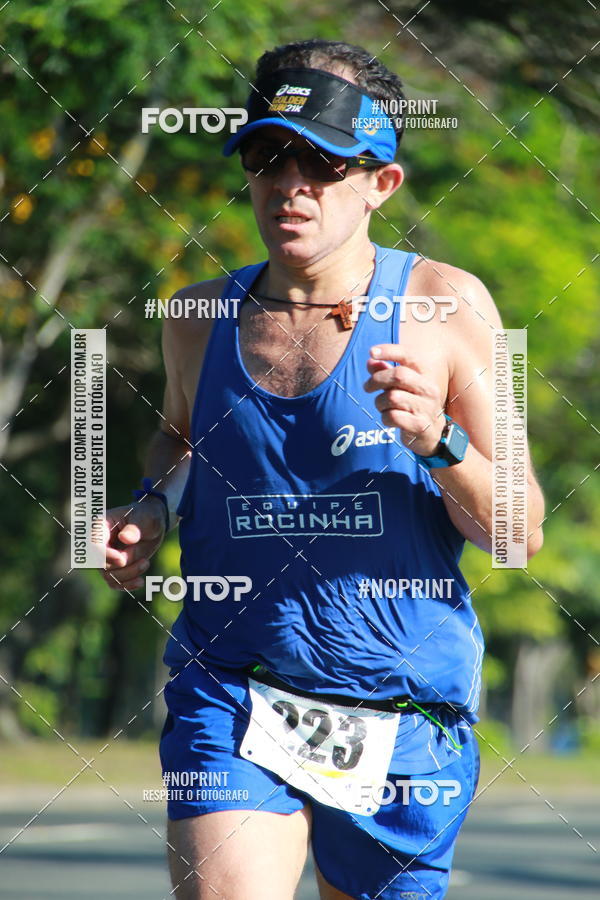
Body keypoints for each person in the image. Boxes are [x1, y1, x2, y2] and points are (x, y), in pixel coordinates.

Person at [101, 39, 544, 900]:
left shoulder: (449, 310)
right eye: (269, 155)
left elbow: (520, 530)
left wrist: (437, 443)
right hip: (235, 686)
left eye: (321, 161)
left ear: (381, 182)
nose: (289, 183)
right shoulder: (196, 315)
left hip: (402, 713)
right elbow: (180, 442)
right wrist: (150, 509)